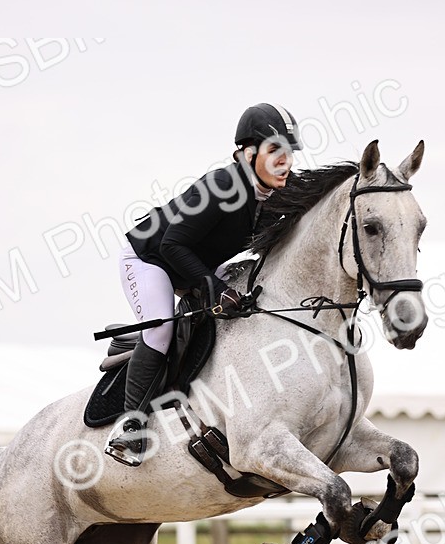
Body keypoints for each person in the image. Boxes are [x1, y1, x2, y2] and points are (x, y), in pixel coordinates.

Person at [105, 102, 302, 465]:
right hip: (150, 259)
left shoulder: (277, 193)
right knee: (161, 330)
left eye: (289, 153)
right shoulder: (222, 186)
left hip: (196, 263)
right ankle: (129, 428)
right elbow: (171, 245)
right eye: (275, 151)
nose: (284, 162)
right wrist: (213, 288)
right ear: (247, 153)